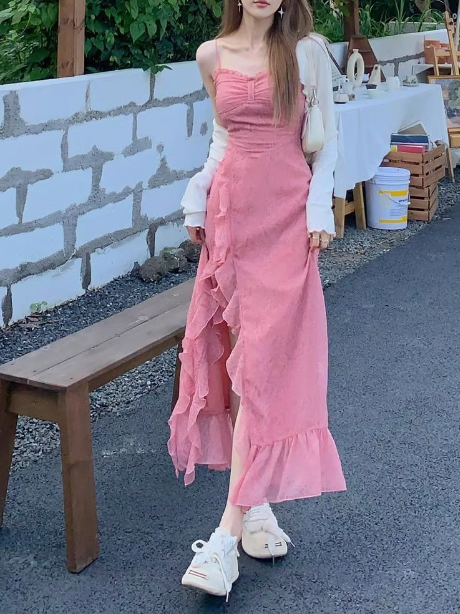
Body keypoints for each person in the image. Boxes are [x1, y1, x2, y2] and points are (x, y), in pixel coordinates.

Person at [167, 0, 346, 599]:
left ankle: (225, 536)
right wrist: (198, 193)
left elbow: (326, 142)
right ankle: (259, 504)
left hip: (287, 219)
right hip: (232, 221)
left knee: (265, 364)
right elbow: (223, 139)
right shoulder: (211, 56)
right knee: (244, 365)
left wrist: (319, 209)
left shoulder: (307, 52)